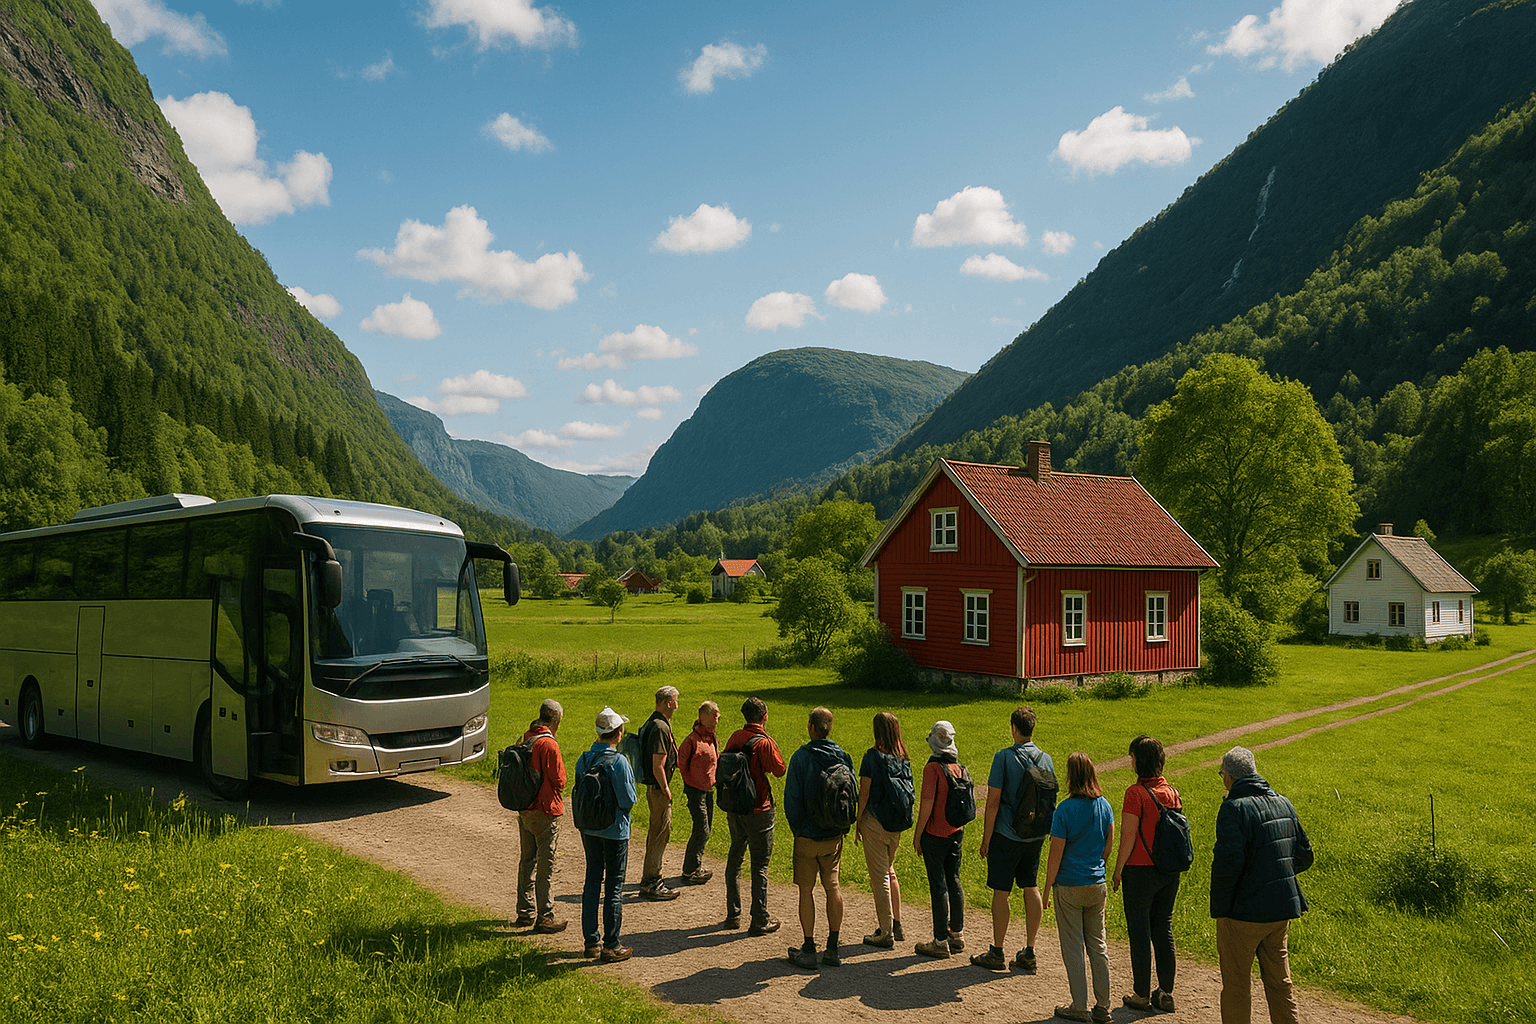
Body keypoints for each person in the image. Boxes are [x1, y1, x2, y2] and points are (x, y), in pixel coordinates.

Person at [1212, 746, 1314, 1024]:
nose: (1222, 779)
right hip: (1281, 909)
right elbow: (1305, 856)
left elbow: (1227, 865)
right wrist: (1276, 873)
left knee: (1236, 986)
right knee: (1281, 983)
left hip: (1242, 914)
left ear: (1230, 777)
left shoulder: (1233, 808)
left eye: (1221, 774)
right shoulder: (1284, 802)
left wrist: (1221, 908)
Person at [973, 706, 1055, 972]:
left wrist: (986, 838)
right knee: (1030, 886)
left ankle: (997, 950)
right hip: (1035, 836)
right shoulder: (1046, 759)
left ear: (1014, 728)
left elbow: (993, 801)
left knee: (1001, 891)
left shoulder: (1004, 758)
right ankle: (1030, 950)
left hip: (1007, 834)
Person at [1043, 752, 1116, 1023]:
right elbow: (1108, 846)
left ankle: (1079, 1005)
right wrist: (1097, 865)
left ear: (1070, 776)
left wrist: (1048, 887)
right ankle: (1103, 1005)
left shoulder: (1064, 809)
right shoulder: (1105, 806)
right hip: (1097, 884)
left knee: (1073, 947)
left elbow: (1056, 854)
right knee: (1098, 945)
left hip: (1070, 885)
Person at [1112, 735, 1182, 1013]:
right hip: (1168, 870)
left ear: (1138, 761)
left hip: (1140, 870)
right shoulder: (1172, 792)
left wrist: (1117, 871)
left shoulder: (1135, 793)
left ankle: (1141, 994)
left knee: (1139, 932)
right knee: (1163, 929)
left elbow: (1128, 837)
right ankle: (1165, 993)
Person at [783, 706, 855, 970]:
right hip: (833, 836)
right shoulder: (843, 756)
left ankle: (809, 947)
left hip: (807, 836)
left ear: (811, 728)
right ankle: (833, 948)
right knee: (832, 887)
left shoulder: (801, 757)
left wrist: (799, 830)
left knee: (806, 890)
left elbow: (791, 799)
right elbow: (852, 794)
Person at [575, 707, 639, 963]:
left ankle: (591, 941)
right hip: (615, 830)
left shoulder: (585, 758)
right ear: (619, 733)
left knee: (592, 882)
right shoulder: (619, 762)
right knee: (614, 886)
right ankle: (611, 945)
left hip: (589, 828)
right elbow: (628, 800)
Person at [723, 696, 787, 935]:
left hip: (736, 806)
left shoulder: (734, 737)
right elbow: (779, 770)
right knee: (759, 865)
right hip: (759, 807)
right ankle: (759, 918)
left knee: (735, 855)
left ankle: (733, 914)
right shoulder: (765, 742)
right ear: (764, 716)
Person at [911, 720, 966, 959]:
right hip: (956, 831)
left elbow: (926, 805)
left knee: (938, 885)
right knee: (954, 880)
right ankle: (957, 934)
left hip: (935, 833)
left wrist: (918, 834)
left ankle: (940, 941)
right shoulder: (958, 766)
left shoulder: (932, 768)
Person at [856, 711, 911, 948]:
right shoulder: (903, 758)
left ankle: (885, 932)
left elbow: (865, 793)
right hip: (896, 823)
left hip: (876, 821)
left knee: (879, 879)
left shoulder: (872, 757)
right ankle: (896, 924)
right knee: (890, 871)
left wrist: (858, 821)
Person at [514, 698, 568, 934]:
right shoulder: (549, 745)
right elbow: (560, 780)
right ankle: (545, 916)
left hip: (524, 808)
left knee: (527, 860)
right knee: (546, 865)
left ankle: (524, 911)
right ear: (555, 720)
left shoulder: (526, 737)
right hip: (545, 810)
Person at [637, 685, 681, 900]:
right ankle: (652, 882)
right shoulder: (660, 727)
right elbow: (658, 764)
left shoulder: (654, 722)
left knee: (657, 832)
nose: (677, 705)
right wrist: (665, 788)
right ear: (668, 702)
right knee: (659, 834)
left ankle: (650, 879)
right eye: (676, 700)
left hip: (653, 788)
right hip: (657, 789)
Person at [677, 699, 720, 885]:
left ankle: (695, 867)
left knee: (706, 830)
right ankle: (689, 870)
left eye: (717, 716)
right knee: (701, 829)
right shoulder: (692, 740)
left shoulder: (712, 738)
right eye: (713, 715)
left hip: (709, 790)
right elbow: (681, 762)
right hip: (695, 791)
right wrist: (692, 780)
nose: (716, 719)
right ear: (702, 717)